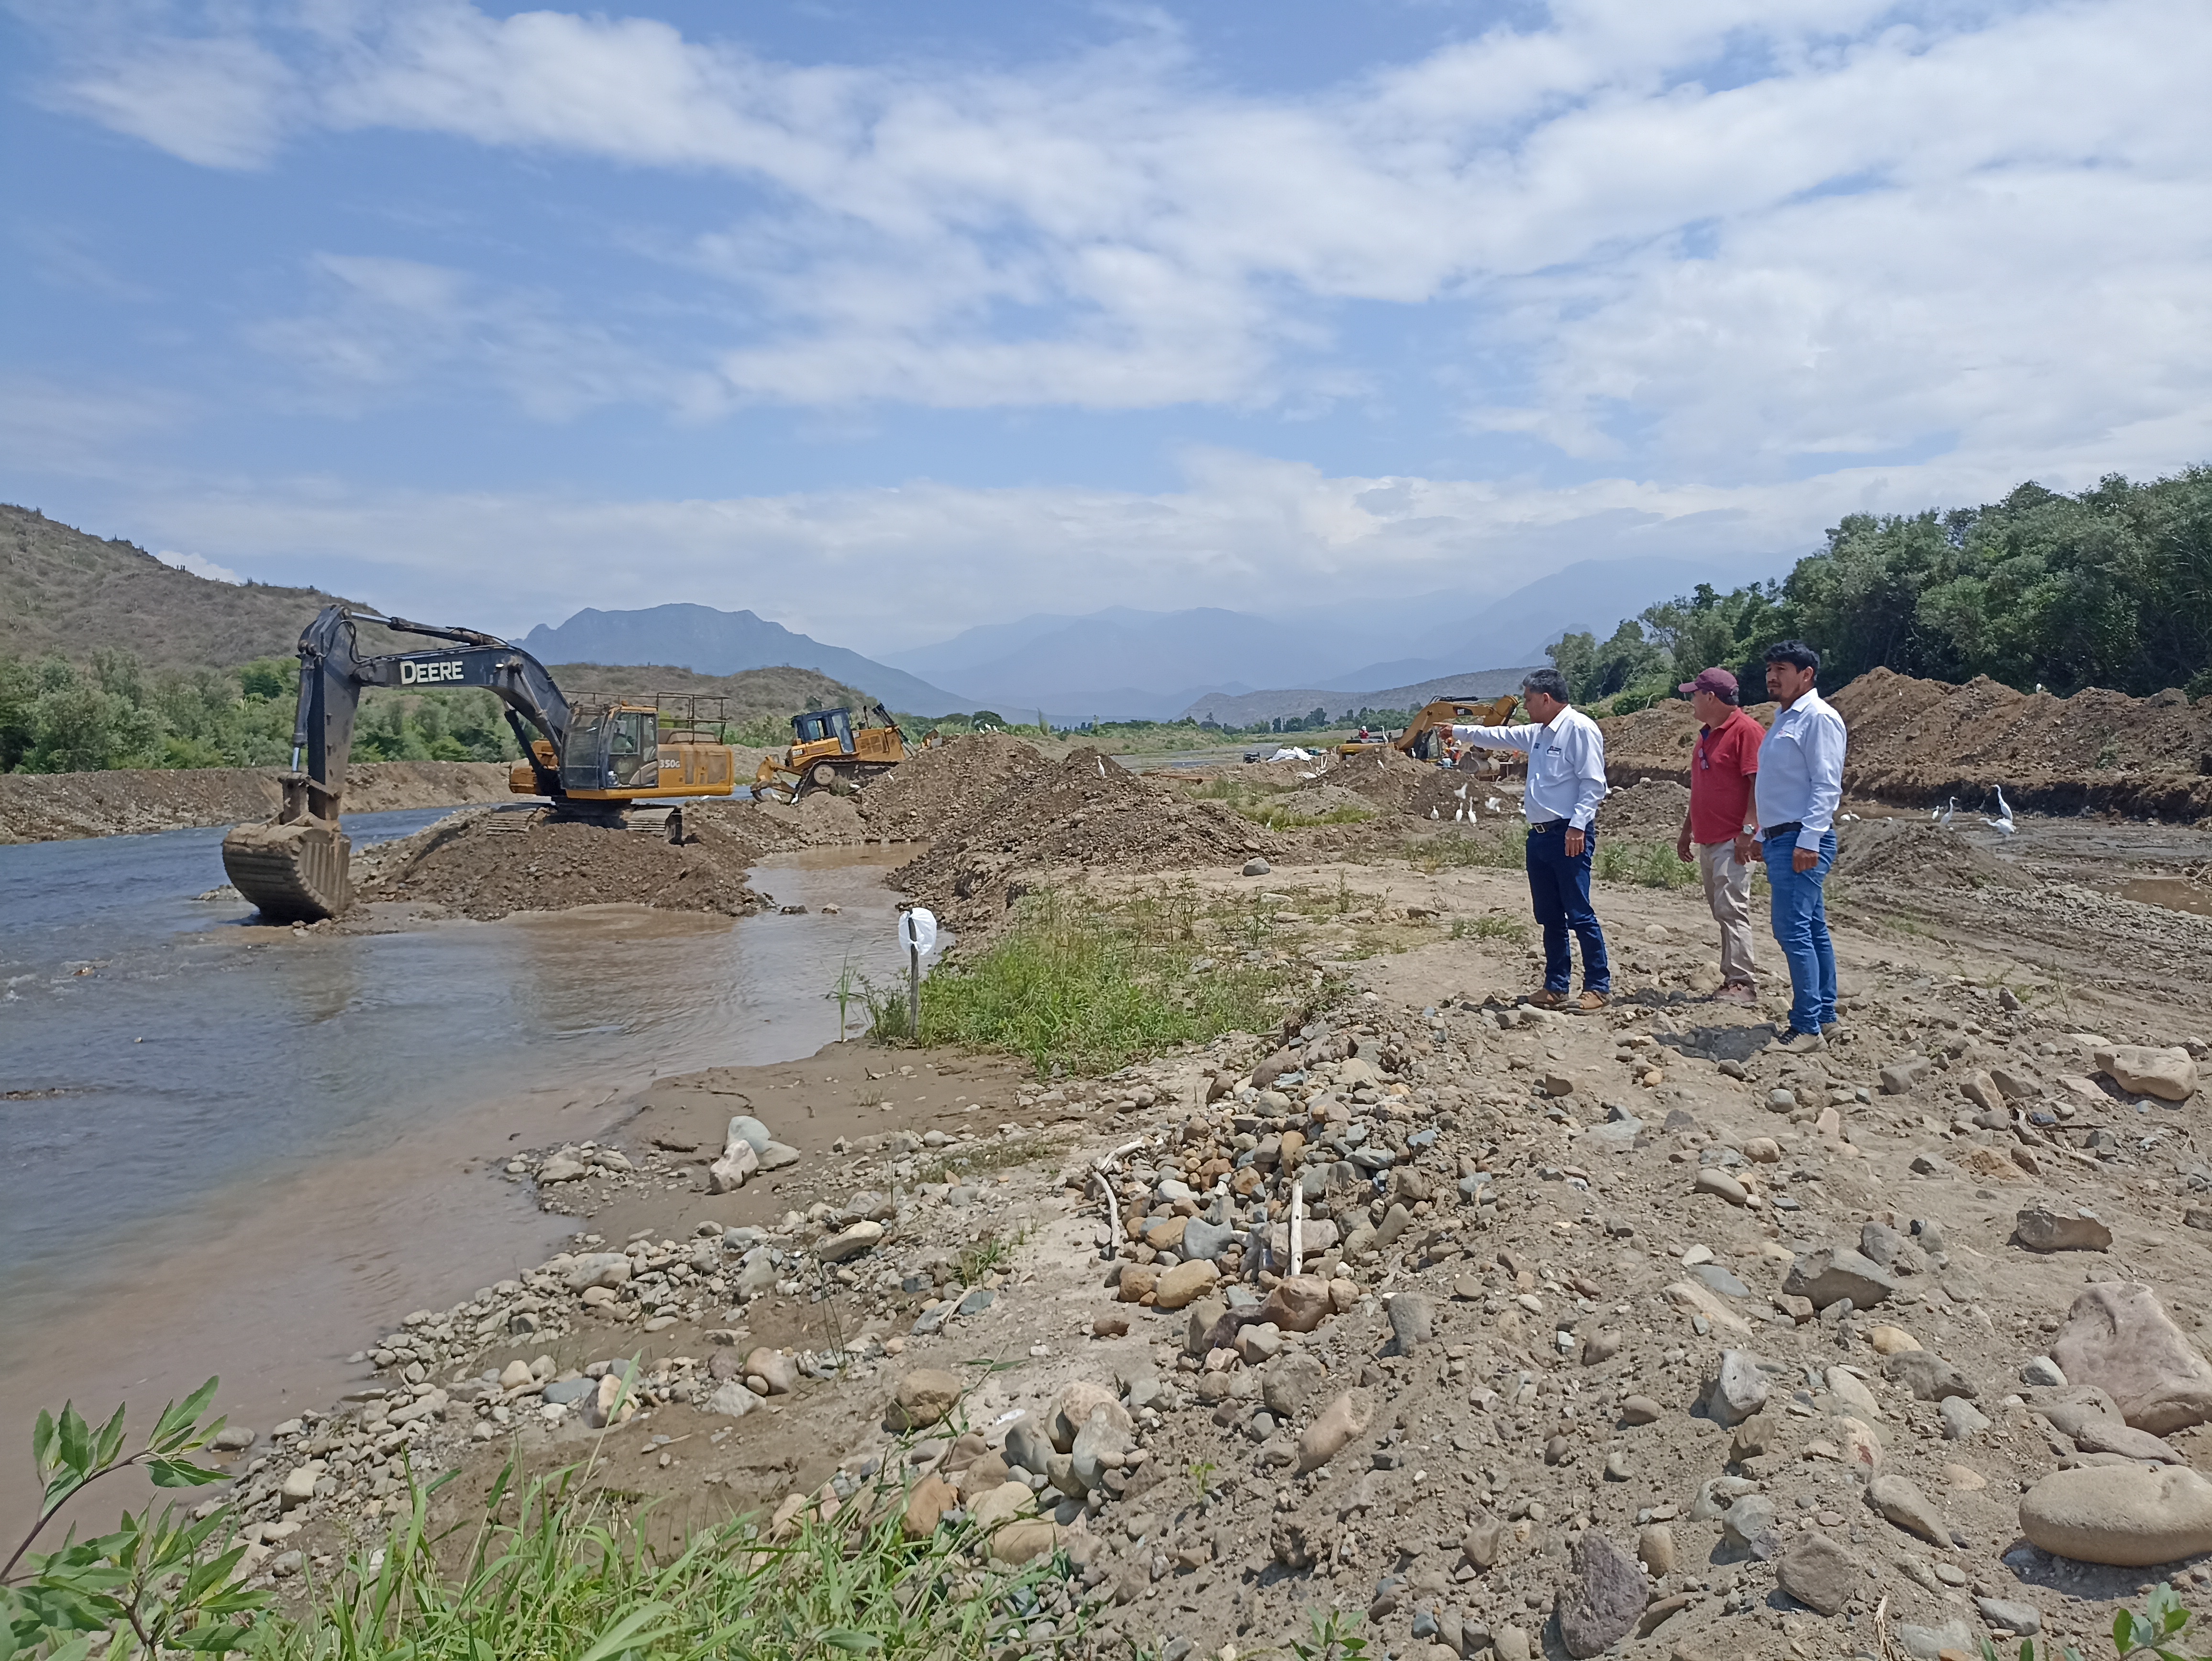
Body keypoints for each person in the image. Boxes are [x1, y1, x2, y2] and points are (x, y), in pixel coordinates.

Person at [1452, 667, 1611, 1011]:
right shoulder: (1540, 733)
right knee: (1549, 915)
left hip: (1568, 834)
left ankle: (1598, 987)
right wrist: (1456, 731)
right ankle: (1556, 986)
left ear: (1546, 698)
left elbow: (1594, 784)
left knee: (1579, 912)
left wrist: (1578, 827)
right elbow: (1500, 738)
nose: (1524, 705)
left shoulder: (1579, 730)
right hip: (1540, 837)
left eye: (1527, 699)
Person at [1752, 640, 1847, 1052]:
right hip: (1782, 836)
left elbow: (1826, 785)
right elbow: (1781, 786)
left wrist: (1808, 840)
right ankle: (1824, 1015)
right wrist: (1761, 835)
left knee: (1792, 929)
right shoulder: (1785, 717)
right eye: (1770, 669)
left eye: (1783, 669)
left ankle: (1806, 1026)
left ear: (1807, 675)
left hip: (1800, 839)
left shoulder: (1818, 719)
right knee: (1810, 928)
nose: (1773, 677)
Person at [1672, 667, 1763, 1008]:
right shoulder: (1707, 735)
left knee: (1732, 908)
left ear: (1711, 697)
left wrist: (1748, 831)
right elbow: (1702, 788)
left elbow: (1758, 785)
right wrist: (1687, 830)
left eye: (1694, 694)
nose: (1691, 700)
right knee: (1721, 909)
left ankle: (1743, 982)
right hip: (1710, 838)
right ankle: (1733, 977)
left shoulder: (1747, 732)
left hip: (1733, 839)